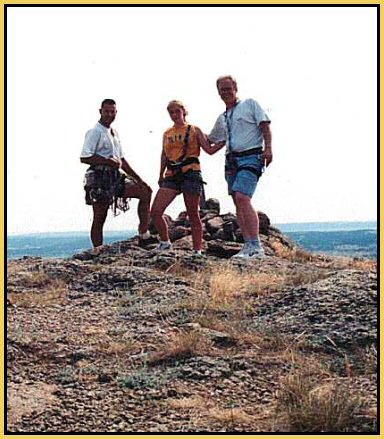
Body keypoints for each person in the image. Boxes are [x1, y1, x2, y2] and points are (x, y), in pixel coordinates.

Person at [208, 75, 273, 259]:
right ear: (218, 92)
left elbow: (265, 126)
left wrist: (268, 148)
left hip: (251, 156)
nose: (226, 92)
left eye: (229, 88)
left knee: (243, 197)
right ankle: (248, 245)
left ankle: (256, 246)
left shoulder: (250, 104)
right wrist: (190, 130)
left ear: (236, 88)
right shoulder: (223, 117)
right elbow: (211, 140)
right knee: (238, 201)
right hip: (232, 161)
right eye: (222, 90)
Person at [151, 100, 224, 255]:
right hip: (172, 174)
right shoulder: (167, 133)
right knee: (155, 211)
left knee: (193, 213)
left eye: (177, 111)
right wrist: (160, 174)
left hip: (190, 173)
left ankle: (197, 250)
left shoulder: (194, 130)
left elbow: (208, 150)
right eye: (171, 112)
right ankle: (165, 242)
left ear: (184, 111)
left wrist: (225, 141)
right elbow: (164, 154)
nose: (174, 115)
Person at [80, 98, 153, 248]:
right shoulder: (95, 131)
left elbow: (121, 160)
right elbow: (85, 157)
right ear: (100, 111)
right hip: (100, 177)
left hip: (115, 176)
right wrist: (107, 162)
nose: (109, 114)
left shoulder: (114, 132)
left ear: (116, 113)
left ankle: (144, 235)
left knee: (145, 191)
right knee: (100, 216)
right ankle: (98, 249)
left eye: (112, 111)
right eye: (106, 111)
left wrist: (139, 179)